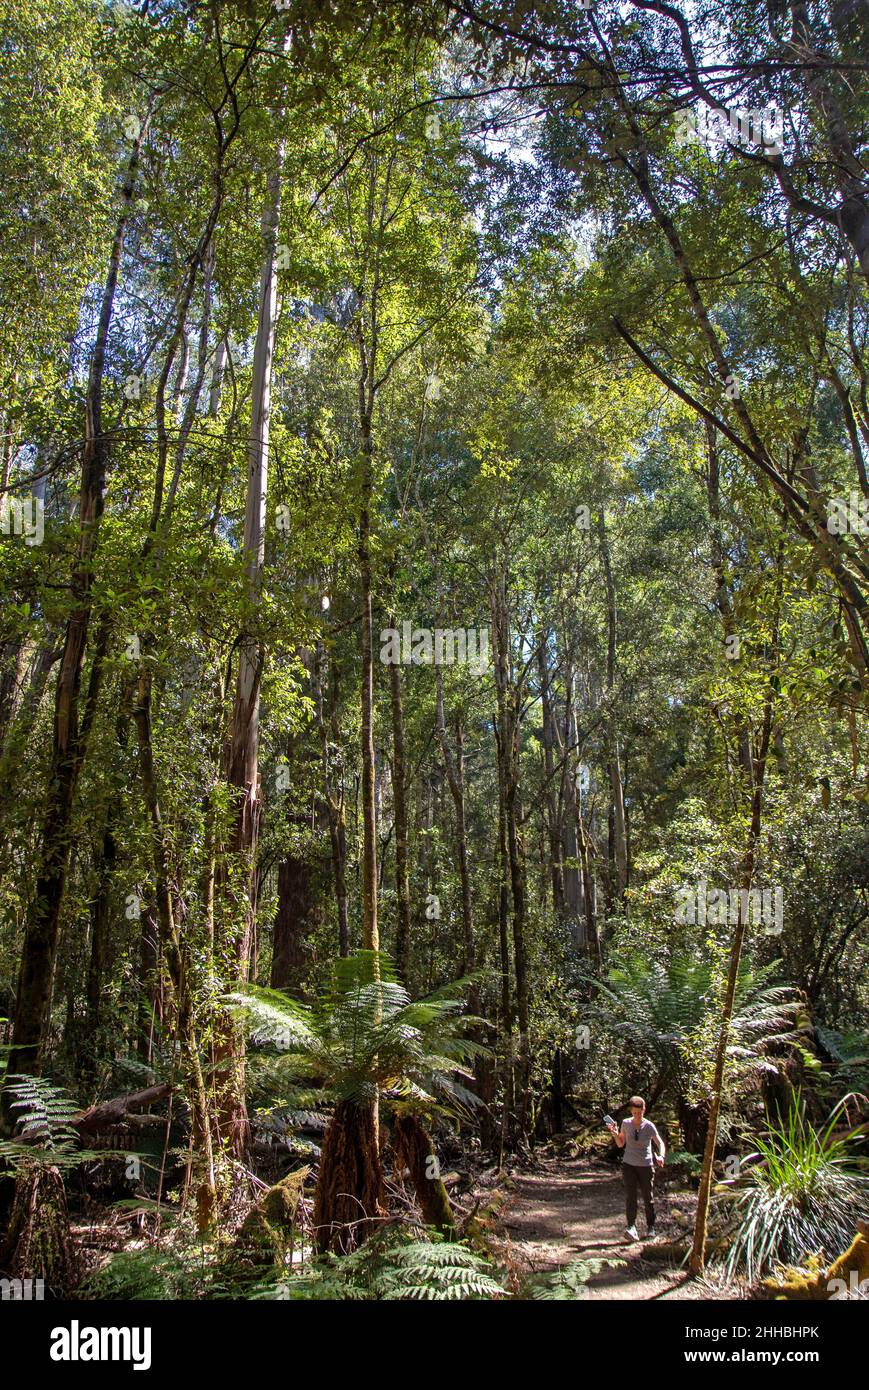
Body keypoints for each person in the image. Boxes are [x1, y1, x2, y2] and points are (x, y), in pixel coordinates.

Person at [606, 1095, 665, 1241]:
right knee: (630, 1197)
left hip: (646, 1165)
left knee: (648, 1197)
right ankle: (631, 1227)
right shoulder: (626, 1123)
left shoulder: (649, 1126)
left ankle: (651, 1227)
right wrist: (613, 1132)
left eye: (639, 1112)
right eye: (634, 1113)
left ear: (644, 1110)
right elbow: (620, 1144)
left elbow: (660, 1143)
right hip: (629, 1165)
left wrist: (661, 1156)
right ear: (631, 1111)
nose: (637, 1115)